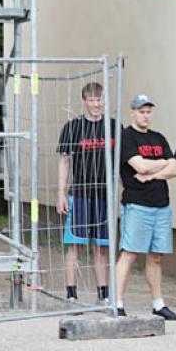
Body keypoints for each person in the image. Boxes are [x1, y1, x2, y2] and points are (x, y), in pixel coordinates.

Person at [114, 94, 176, 320]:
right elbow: (140, 166)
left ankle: (158, 304)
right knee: (130, 253)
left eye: (149, 111)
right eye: (141, 111)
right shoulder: (126, 137)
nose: (145, 115)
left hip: (161, 205)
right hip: (137, 205)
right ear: (133, 113)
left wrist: (153, 174)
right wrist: (162, 163)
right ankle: (117, 303)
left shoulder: (158, 137)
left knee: (156, 256)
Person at [56, 82, 115, 305]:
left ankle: (103, 294)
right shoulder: (72, 127)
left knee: (101, 246)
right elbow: (64, 161)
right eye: (92, 100)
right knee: (75, 245)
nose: (96, 104)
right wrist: (61, 193)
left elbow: (122, 161)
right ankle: (71, 294)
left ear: (104, 101)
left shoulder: (113, 127)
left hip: (104, 195)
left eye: (99, 100)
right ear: (84, 101)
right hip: (79, 194)